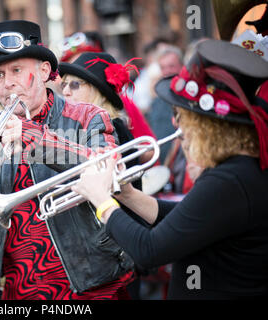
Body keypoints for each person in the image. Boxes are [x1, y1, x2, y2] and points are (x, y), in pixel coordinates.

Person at [0, 20, 134, 300]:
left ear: (44, 70)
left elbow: (109, 168)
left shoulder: (86, 116)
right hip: (20, 289)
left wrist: (35, 138)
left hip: (89, 283)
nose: (7, 83)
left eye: (17, 71)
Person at [71, 39, 268, 299]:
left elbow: (150, 250)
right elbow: (184, 218)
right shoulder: (234, 170)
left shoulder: (230, 179)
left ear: (207, 125)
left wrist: (102, 201)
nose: (176, 123)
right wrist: (126, 194)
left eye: (182, 115)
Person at [59, 52, 156, 165]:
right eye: (63, 85)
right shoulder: (70, 127)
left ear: (97, 91)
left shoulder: (113, 127)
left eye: (74, 84)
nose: (65, 92)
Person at [146, 45, 184, 163]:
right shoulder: (156, 101)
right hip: (163, 164)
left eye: (171, 66)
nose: (167, 71)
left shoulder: (189, 98)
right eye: (163, 67)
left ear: (182, 66)